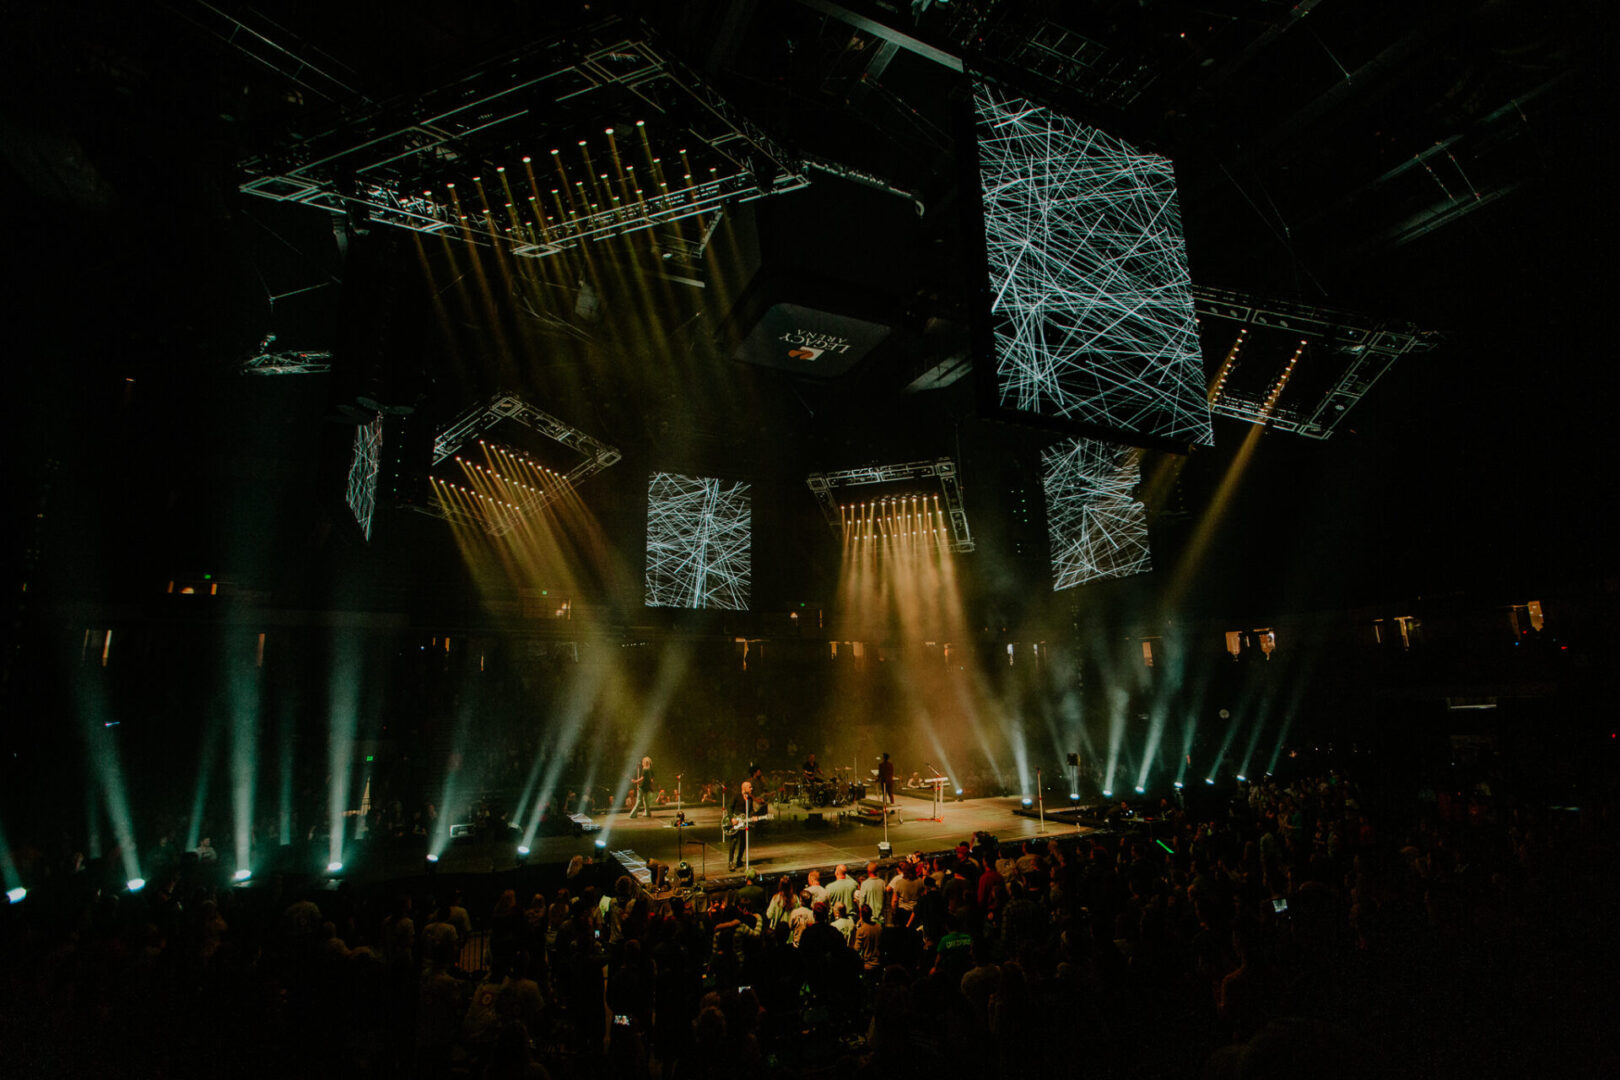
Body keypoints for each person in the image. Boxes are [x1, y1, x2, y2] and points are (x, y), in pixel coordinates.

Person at [727, 781, 755, 870]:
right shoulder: (737, 796)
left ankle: (739, 859)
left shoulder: (750, 799)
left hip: (744, 823)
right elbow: (729, 807)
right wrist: (732, 818)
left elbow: (750, 811)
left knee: (743, 842)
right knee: (734, 841)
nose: (751, 789)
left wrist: (753, 817)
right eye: (750, 787)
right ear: (744, 788)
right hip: (736, 821)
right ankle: (730, 862)